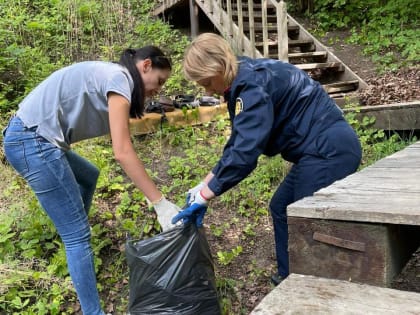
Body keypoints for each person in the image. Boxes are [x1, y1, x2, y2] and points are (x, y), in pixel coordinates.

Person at [172, 33, 362, 285]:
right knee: (281, 207)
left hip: (328, 150)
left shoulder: (251, 87)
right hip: (318, 151)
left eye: (206, 81)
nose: (207, 90)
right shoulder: (243, 79)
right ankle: (290, 278)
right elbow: (238, 143)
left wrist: (208, 194)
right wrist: (203, 184)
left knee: (304, 222)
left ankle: (313, 289)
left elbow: (246, 152)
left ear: (217, 67)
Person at [2, 46, 180, 314]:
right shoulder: (121, 79)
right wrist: (160, 203)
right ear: (145, 66)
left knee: (89, 176)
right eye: (160, 80)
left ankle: (72, 231)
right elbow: (122, 151)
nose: (159, 89)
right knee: (78, 236)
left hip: (32, 137)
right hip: (32, 141)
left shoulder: (116, 78)